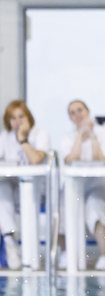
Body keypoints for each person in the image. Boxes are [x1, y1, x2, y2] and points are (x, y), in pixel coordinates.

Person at [58, 100, 105, 271]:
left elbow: (101, 159)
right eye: (72, 113)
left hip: (104, 187)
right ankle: (66, 253)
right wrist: (81, 135)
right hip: (78, 189)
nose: (77, 115)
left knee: (95, 203)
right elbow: (70, 160)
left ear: (88, 111)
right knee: (61, 201)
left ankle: (104, 255)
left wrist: (92, 135)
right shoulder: (68, 138)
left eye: (80, 110)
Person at [0, 100, 50, 270]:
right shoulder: (5, 137)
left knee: (22, 190)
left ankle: (28, 256)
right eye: (13, 118)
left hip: (37, 192)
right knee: (1, 190)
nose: (17, 121)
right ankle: (10, 242)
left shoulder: (40, 134)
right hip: (13, 193)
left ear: (28, 117)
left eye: (21, 116)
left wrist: (22, 139)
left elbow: (35, 160)